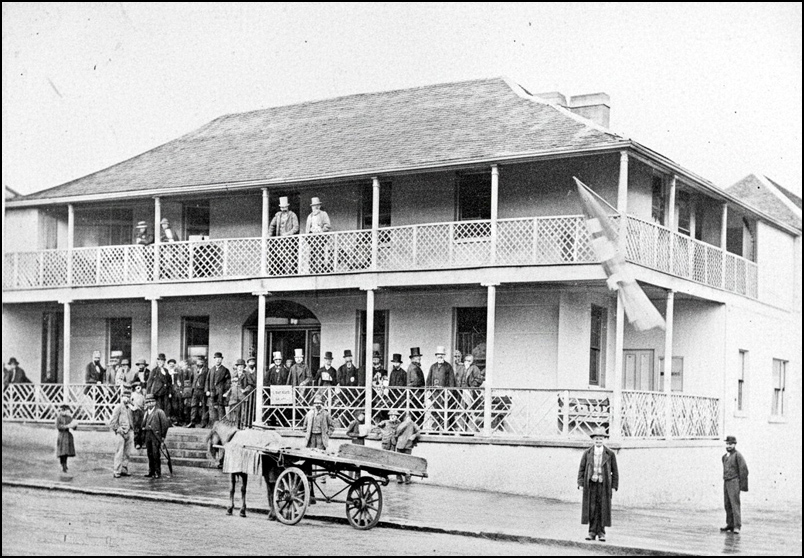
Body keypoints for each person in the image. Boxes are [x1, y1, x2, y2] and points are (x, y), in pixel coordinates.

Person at [577, 427, 619, 542]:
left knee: (603, 508)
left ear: (604, 439)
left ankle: (601, 533)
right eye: (596, 439)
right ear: (593, 440)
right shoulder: (587, 453)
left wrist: (614, 486)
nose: (598, 441)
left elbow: (615, 471)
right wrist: (580, 483)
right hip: (591, 485)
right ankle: (591, 532)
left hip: (604, 485)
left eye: (601, 439)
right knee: (592, 508)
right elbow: (581, 469)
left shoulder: (610, 454)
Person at [720, 435, 749, 535]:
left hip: (734, 482)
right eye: (727, 444)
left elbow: (744, 470)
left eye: (731, 444)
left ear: (735, 444)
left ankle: (737, 526)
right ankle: (730, 524)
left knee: (734, 504)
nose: (729, 446)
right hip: (726, 482)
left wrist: (742, 485)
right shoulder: (724, 457)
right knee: (727, 504)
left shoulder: (738, 455)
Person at [268, 196, 300, 275]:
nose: (283, 209)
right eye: (281, 207)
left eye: (284, 207)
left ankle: (289, 272)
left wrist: (288, 234)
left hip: (289, 241)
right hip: (280, 241)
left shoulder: (292, 215)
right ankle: (282, 273)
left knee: (289, 257)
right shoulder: (278, 215)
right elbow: (272, 225)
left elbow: (296, 227)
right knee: (280, 256)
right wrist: (269, 234)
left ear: (287, 206)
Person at [142, 394, 170, 479]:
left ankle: (158, 472)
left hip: (155, 435)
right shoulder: (146, 412)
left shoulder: (159, 412)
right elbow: (143, 423)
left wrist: (162, 437)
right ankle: (151, 471)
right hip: (148, 434)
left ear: (155, 402)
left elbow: (165, 425)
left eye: (151, 402)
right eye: (147, 402)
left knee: (155, 454)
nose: (149, 404)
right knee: (149, 454)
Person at [109, 388, 134, 478]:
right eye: (125, 396)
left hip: (129, 431)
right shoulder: (118, 407)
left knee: (127, 452)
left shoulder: (131, 408)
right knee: (119, 452)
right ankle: (116, 470)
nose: (127, 398)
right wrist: (118, 429)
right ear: (121, 397)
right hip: (121, 432)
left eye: (128, 396)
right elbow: (112, 422)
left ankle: (124, 469)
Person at [306, 197, 331, 273]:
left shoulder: (323, 214)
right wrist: (310, 232)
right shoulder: (310, 216)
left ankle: (321, 269)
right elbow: (307, 229)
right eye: (313, 206)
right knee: (312, 255)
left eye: (317, 205)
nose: (315, 207)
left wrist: (321, 230)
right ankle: (313, 270)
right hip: (312, 239)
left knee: (321, 254)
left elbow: (328, 226)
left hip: (321, 238)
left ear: (319, 206)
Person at [395, 412, 421, 484]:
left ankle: (407, 478)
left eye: (409, 417)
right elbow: (397, 432)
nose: (408, 418)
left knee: (408, 462)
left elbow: (418, 431)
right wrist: (405, 423)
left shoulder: (413, 424)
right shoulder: (401, 424)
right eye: (406, 417)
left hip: (408, 445)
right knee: (398, 462)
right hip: (400, 444)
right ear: (404, 418)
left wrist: (414, 435)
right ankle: (399, 477)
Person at [226, 359, 255, 424]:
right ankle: (233, 426)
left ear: (244, 367)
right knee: (233, 413)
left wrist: (245, 390)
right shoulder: (234, 374)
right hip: (234, 397)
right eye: (239, 366)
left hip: (242, 397)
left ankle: (241, 426)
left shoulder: (247, 374)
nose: (240, 368)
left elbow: (251, 384)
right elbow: (230, 384)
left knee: (242, 413)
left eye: (241, 367)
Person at [205, 352, 230, 425]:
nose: (218, 360)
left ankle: (222, 427)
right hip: (212, 393)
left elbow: (228, 382)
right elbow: (207, 380)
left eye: (219, 359)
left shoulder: (225, 370)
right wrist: (207, 390)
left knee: (221, 410)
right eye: (216, 359)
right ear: (214, 359)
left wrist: (224, 390)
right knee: (212, 411)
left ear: (222, 360)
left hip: (220, 393)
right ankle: (213, 426)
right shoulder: (211, 370)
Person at [56, 404, 77, 473]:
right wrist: (66, 426)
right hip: (61, 435)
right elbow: (58, 426)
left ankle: (65, 463)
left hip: (67, 436)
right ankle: (62, 463)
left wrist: (74, 425)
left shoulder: (69, 418)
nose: (64, 412)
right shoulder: (59, 418)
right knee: (62, 451)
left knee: (66, 451)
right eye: (63, 410)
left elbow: (74, 427)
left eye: (65, 410)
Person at [190, 355, 209, 428]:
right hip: (195, 390)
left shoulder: (207, 370)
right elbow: (192, 378)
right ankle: (192, 422)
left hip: (202, 390)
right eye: (198, 361)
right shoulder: (194, 369)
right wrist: (193, 387)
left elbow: (207, 380)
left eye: (201, 361)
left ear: (204, 362)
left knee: (204, 406)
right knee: (193, 405)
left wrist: (206, 390)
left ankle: (203, 422)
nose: (200, 362)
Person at [407, 347, 425, 423]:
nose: (419, 359)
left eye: (419, 357)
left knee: (416, 413)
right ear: (413, 359)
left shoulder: (414, 367)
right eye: (417, 358)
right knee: (417, 413)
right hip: (416, 394)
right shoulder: (414, 368)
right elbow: (416, 381)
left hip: (415, 394)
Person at [130, 382, 146, 448]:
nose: (138, 387)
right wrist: (133, 408)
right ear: (134, 388)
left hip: (142, 412)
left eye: (139, 386)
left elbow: (145, 404)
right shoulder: (133, 395)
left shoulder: (142, 396)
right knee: (136, 427)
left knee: (142, 426)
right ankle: (137, 443)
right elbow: (129, 403)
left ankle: (142, 442)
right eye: (137, 386)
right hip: (135, 412)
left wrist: (145, 408)